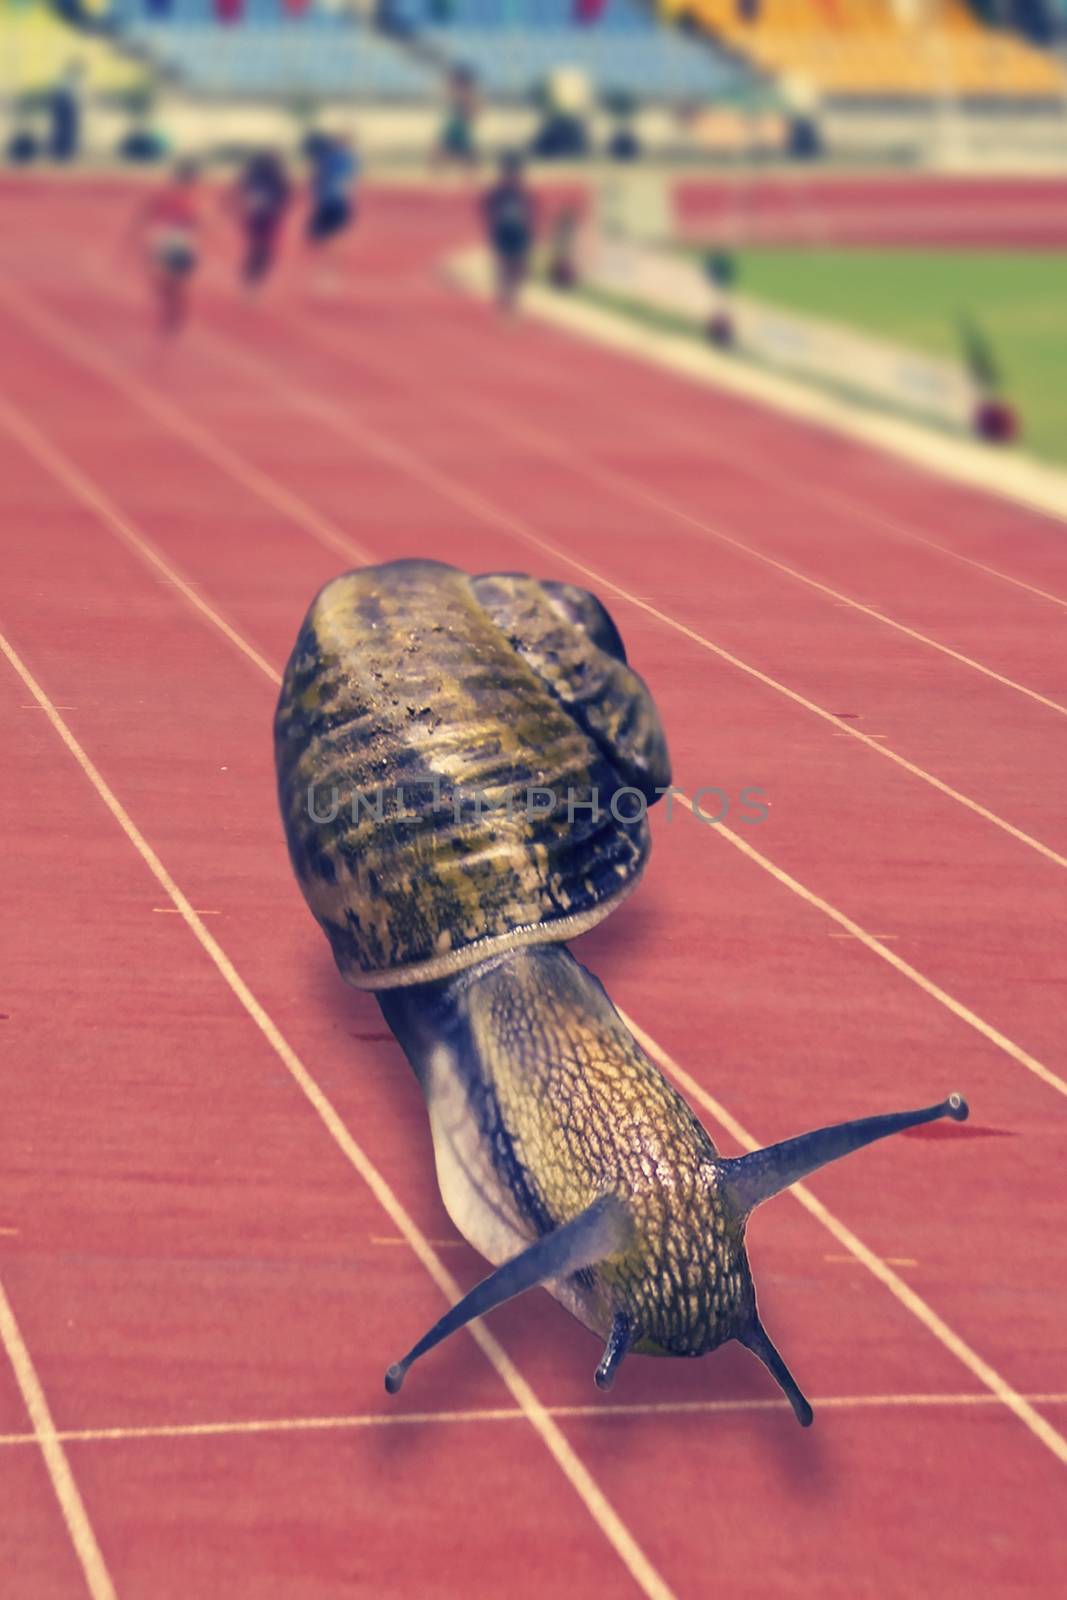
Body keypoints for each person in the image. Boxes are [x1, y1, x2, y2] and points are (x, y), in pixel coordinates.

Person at [130, 159, 201, 335]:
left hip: (168, 243)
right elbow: (147, 213)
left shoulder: (186, 198)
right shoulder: (184, 198)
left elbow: (145, 214)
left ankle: (174, 310)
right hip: (177, 243)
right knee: (172, 282)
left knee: (165, 281)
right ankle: (175, 309)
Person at [227, 149, 292, 292]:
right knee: (264, 250)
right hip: (265, 217)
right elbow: (287, 197)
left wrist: (234, 206)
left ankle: (250, 276)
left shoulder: (256, 175)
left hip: (260, 216)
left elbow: (237, 191)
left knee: (260, 249)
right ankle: (252, 278)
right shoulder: (276, 176)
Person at [304, 130, 360, 292]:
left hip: (332, 204)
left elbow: (318, 179)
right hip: (334, 203)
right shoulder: (345, 159)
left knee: (330, 240)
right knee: (326, 239)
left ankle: (329, 273)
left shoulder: (335, 159)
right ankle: (329, 272)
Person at [481, 152, 536, 315]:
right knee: (504, 268)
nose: (513, 176)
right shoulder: (498, 192)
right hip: (503, 232)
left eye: (515, 172)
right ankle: (506, 301)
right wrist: (492, 226)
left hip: (519, 233)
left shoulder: (523, 192)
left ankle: (512, 299)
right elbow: (487, 209)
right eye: (509, 172)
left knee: (518, 268)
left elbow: (530, 213)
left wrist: (530, 232)